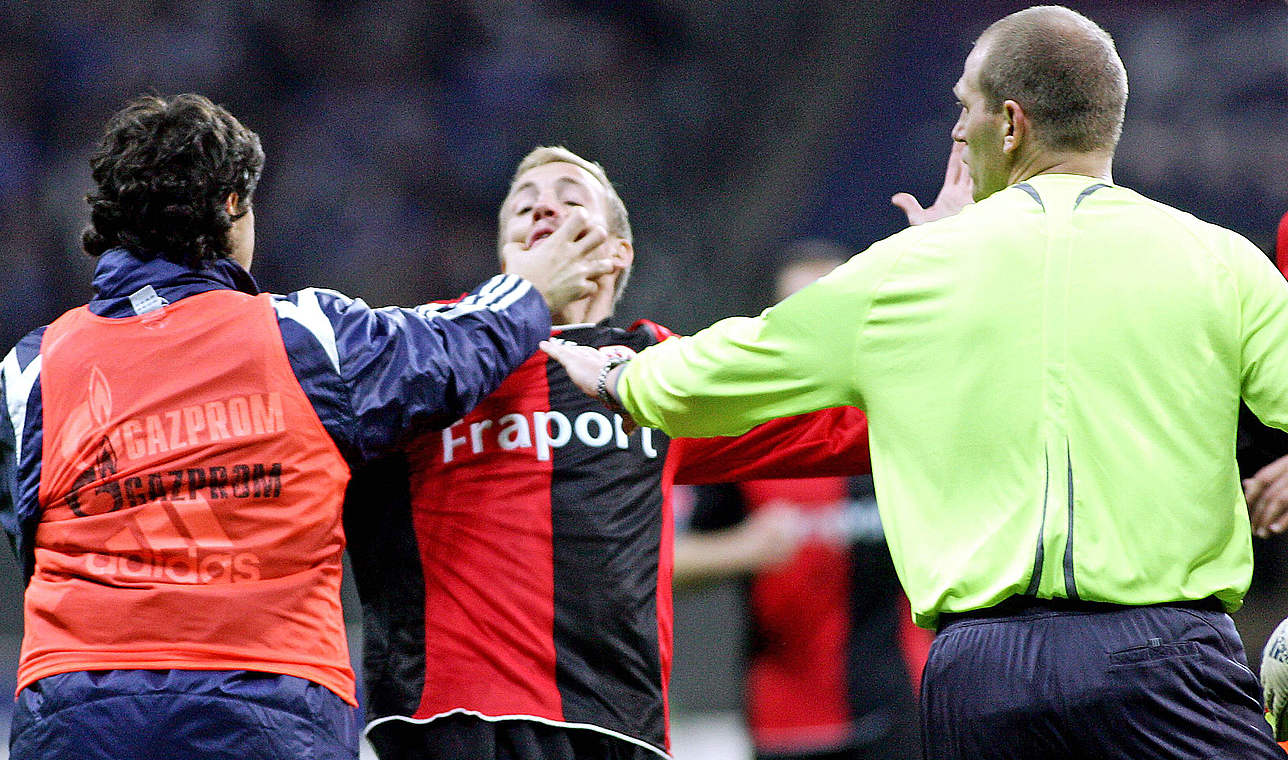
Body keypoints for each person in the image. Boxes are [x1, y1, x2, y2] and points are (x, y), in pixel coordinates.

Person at [544, 6, 1288, 758]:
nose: (957, 132)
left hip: (984, 676)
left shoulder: (909, 272)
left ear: (1012, 122)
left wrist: (620, 376)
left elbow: (717, 373)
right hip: (1169, 659)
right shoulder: (1220, 262)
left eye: (964, 106)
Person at [0, 94, 616, 760]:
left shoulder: (33, 368)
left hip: (76, 707)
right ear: (233, 206)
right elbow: (451, 352)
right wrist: (529, 290)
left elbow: (25, 537)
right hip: (265, 702)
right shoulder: (305, 339)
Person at [344, 146, 876, 760]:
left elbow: (851, 426)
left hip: (613, 730)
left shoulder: (660, 371)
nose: (544, 205)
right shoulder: (421, 351)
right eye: (524, 205)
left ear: (618, 252)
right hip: (447, 725)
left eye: (571, 198)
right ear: (507, 252)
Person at [673, 245, 930, 760]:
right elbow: (658, 559)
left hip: (905, 710)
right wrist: (742, 548)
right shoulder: (745, 436)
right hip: (785, 724)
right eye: (799, 312)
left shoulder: (903, 423)